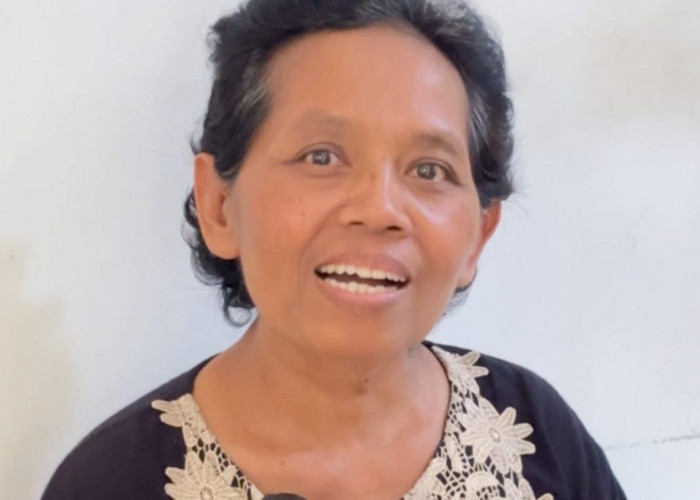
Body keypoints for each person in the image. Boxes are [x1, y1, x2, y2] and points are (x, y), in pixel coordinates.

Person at [42, 0, 627, 498]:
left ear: (478, 235)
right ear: (219, 205)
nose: (379, 209)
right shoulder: (109, 482)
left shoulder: (534, 432)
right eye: (321, 156)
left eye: (429, 169)